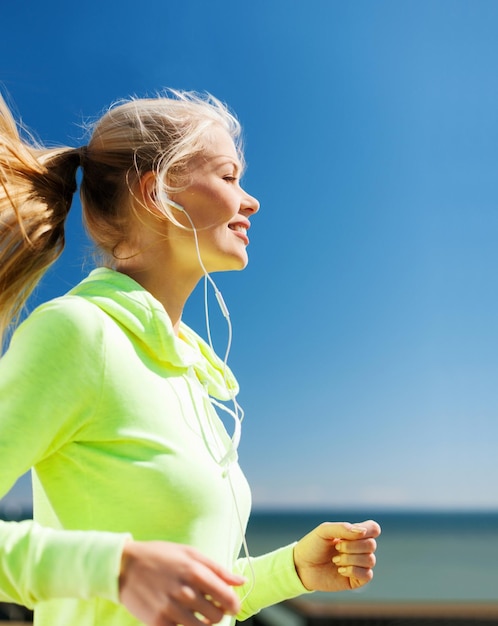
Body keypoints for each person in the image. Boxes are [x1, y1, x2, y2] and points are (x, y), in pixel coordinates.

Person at [0, 89, 381, 626]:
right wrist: (115, 568)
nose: (250, 201)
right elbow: (134, 576)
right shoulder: (80, 334)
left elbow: (191, 594)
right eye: (228, 177)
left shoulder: (185, 367)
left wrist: (293, 569)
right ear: (155, 193)